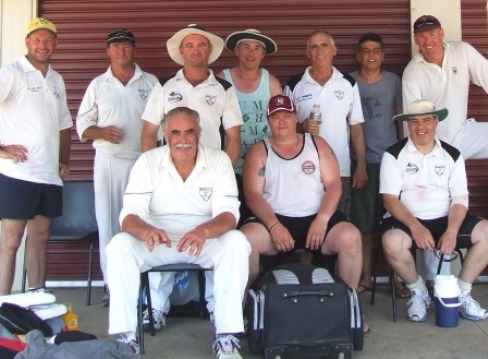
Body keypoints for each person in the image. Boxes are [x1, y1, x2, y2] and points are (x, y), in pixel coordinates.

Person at [107, 107, 250, 358]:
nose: (183, 139)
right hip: (158, 240)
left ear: (199, 133)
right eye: (175, 132)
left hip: (203, 240)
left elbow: (229, 215)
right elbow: (128, 216)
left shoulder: (218, 160)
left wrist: (204, 230)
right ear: (165, 134)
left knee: (237, 242)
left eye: (189, 132)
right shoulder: (148, 162)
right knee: (119, 246)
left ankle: (227, 337)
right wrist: (146, 230)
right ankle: (127, 339)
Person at [140, 24, 243, 330]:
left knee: (219, 237)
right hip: (170, 178)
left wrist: (225, 171)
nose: (196, 51)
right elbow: (148, 133)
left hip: (210, 180)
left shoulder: (223, 88)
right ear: (181, 52)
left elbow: (234, 137)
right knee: (161, 234)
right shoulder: (164, 87)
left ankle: (218, 309)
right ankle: (155, 308)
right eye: (190, 46)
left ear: (209, 51)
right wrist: (154, 170)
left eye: (202, 45)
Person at [380, 99, 488, 322]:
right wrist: (416, 227)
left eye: (426, 120)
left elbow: (460, 198)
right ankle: (418, 291)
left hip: (446, 218)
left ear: (436, 122)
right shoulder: (393, 154)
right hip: (407, 220)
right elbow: (390, 200)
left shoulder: (453, 154)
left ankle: (460, 293)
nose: (421, 127)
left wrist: (452, 230)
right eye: (414, 121)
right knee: (392, 243)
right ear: (407, 124)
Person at [240, 95, 362, 290]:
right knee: (244, 241)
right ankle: (249, 307)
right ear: (268, 120)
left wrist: (322, 219)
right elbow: (253, 195)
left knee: (352, 237)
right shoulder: (260, 150)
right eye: (275, 117)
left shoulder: (317, 144)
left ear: (296, 116)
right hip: (275, 220)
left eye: (286, 116)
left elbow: (334, 185)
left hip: (316, 218)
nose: (281, 122)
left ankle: (349, 307)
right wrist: (274, 226)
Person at [402, 14, 488, 290]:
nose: (428, 41)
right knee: (432, 202)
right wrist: (424, 152)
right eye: (422, 36)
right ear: (416, 40)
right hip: (433, 144)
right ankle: (434, 280)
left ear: (441, 33)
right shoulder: (412, 71)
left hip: (462, 132)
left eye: (432, 34)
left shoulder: (461, 51)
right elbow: (414, 121)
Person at [76, 29, 158, 306]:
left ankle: (143, 287)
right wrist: (101, 132)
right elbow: (82, 127)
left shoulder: (151, 82)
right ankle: (113, 286)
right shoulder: (98, 85)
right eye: (116, 47)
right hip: (109, 161)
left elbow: (164, 122)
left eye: (126, 46)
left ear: (134, 50)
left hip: (143, 160)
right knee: (109, 222)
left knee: (146, 222)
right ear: (108, 51)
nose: (121, 51)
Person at [0, 17, 72, 295]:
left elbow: (64, 124)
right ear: (27, 42)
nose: (43, 45)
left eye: (48, 39)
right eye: (37, 39)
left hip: (48, 175)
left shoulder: (56, 79)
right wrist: (3, 150)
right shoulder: (12, 73)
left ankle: (36, 303)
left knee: (40, 238)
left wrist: (63, 159)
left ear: (55, 44)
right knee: (11, 241)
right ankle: (4, 310)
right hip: (17, 173)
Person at [284, 30, 367, 218]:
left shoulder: (348, 83)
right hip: (302, 168)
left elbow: (356, 126)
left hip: (340, 169)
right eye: (314, 46)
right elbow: (283, 128)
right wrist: (301, 127)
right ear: (307, 53)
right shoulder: (294, 84)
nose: (319, 50)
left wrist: (361, 165)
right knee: (306, 221)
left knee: (339, 221)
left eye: (324, 45)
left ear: (334, 50)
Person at [348, 32, 406, 296]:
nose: (371, 55)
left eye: (376, 50)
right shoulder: (348, 82)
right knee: (363, 225)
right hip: (362, 164)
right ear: (359, 55)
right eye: (365, 50)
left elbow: (401, 120)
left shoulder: (394, 82)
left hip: (391, 164)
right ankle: (365, 278)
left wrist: (405, 158)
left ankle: (400, 279)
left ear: (383, 55)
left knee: (395, 223)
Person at [216, 28, 282, 224]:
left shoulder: (271, 82)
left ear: (263, 54)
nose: (251, 53)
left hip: (265, 167)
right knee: (231, 220)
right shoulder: (221, 80)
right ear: (237, 51)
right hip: (230, 166)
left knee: (264, 221)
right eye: (246, 47)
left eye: (257, 48)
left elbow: (282, 123)